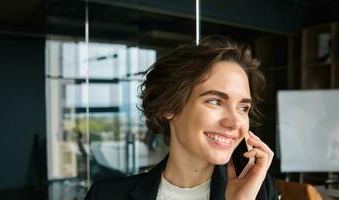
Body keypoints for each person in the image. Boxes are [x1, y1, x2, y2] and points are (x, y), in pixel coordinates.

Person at [84, 36, 277, 200]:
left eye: (243, 107)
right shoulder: (104, 195)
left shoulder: (256, 190)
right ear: (169, 107)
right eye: (216, 102)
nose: (235, 122)